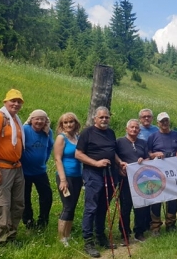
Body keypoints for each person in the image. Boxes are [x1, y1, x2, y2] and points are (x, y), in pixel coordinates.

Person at [76, 106, 127, 258]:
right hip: (93, 173)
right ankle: (88, 241)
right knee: (91, 207)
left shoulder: (110, 133)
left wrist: (120, 163)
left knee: (104, 206)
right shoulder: (87, 132)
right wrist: (95, 163)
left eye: (107, 117)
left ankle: (100, 236)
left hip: (110, 173)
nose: (104, 119)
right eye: (101, 117)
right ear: (95, 118)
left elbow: (113, 152)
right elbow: (78, 154)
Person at [0, 89, 26, 246]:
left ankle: (11, 237)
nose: (16, 104)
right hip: (0, 168)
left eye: (19, 101)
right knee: (2, 205)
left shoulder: (16, 120)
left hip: (16, 168)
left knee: (18, 204)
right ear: (5, 102)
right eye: (12, 101)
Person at [147, 112, 177, 235]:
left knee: (173, 198)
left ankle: (171, 224)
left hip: (173, 173)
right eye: (162, 121)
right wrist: (154, 154)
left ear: (169, 121)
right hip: (157, 174)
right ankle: (156, 227)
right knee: (157, 199)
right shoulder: (153, 137)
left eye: (166, 120)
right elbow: (147, 153)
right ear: (158, 123)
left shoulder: (176, 135)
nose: (164, 123)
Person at [116, 119, 150, 244]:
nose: (134, 129)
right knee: (125, 207)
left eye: (136, 128)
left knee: (140, 206)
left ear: (139, 130)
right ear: (127, 129)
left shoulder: (143, 143)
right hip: (125, 179)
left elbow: (148, 158)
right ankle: (124, 233)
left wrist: (144, 159)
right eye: (131, 127)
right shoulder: (119, 142)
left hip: (141, 180)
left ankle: (139, 232)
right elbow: (114, 156)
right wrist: (120, 165)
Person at [20, 109, 54, 230]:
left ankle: (43, 221)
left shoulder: (48, 132)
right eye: (37, 119)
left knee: (47, 195)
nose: (39, 121)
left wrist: (44, 160)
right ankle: (28, 220)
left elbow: (50, 147)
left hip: (40, 171)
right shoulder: (25, 130)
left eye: (42, 119)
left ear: (46, 121)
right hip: (24, 171)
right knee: (25, 196)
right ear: (31, 120)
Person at [53, 112, 82, 247]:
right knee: (68, 206)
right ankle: (61, 238)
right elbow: (57, 159)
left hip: (77, 176)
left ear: (76, 123)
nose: (69, 124)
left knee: (73, 207)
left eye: (71, 122)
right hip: (65, 176)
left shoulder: (77, 137)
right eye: (66, 122)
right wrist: (63, 180)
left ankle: (68, 235)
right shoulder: (61, 138)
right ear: (62, 125)